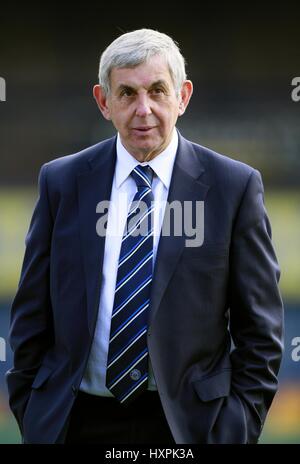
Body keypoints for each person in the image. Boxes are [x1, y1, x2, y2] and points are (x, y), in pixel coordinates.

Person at [6, 28, 284, 444]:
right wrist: (33, 412)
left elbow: (260, 332)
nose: (144, 109)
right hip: (75, 422)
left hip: (188, 429)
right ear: (103, 101)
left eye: (157, 90)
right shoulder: (61, 181)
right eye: (127, 94)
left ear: (183, 96)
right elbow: (31, 315)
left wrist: (234, 428)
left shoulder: (233, 187)